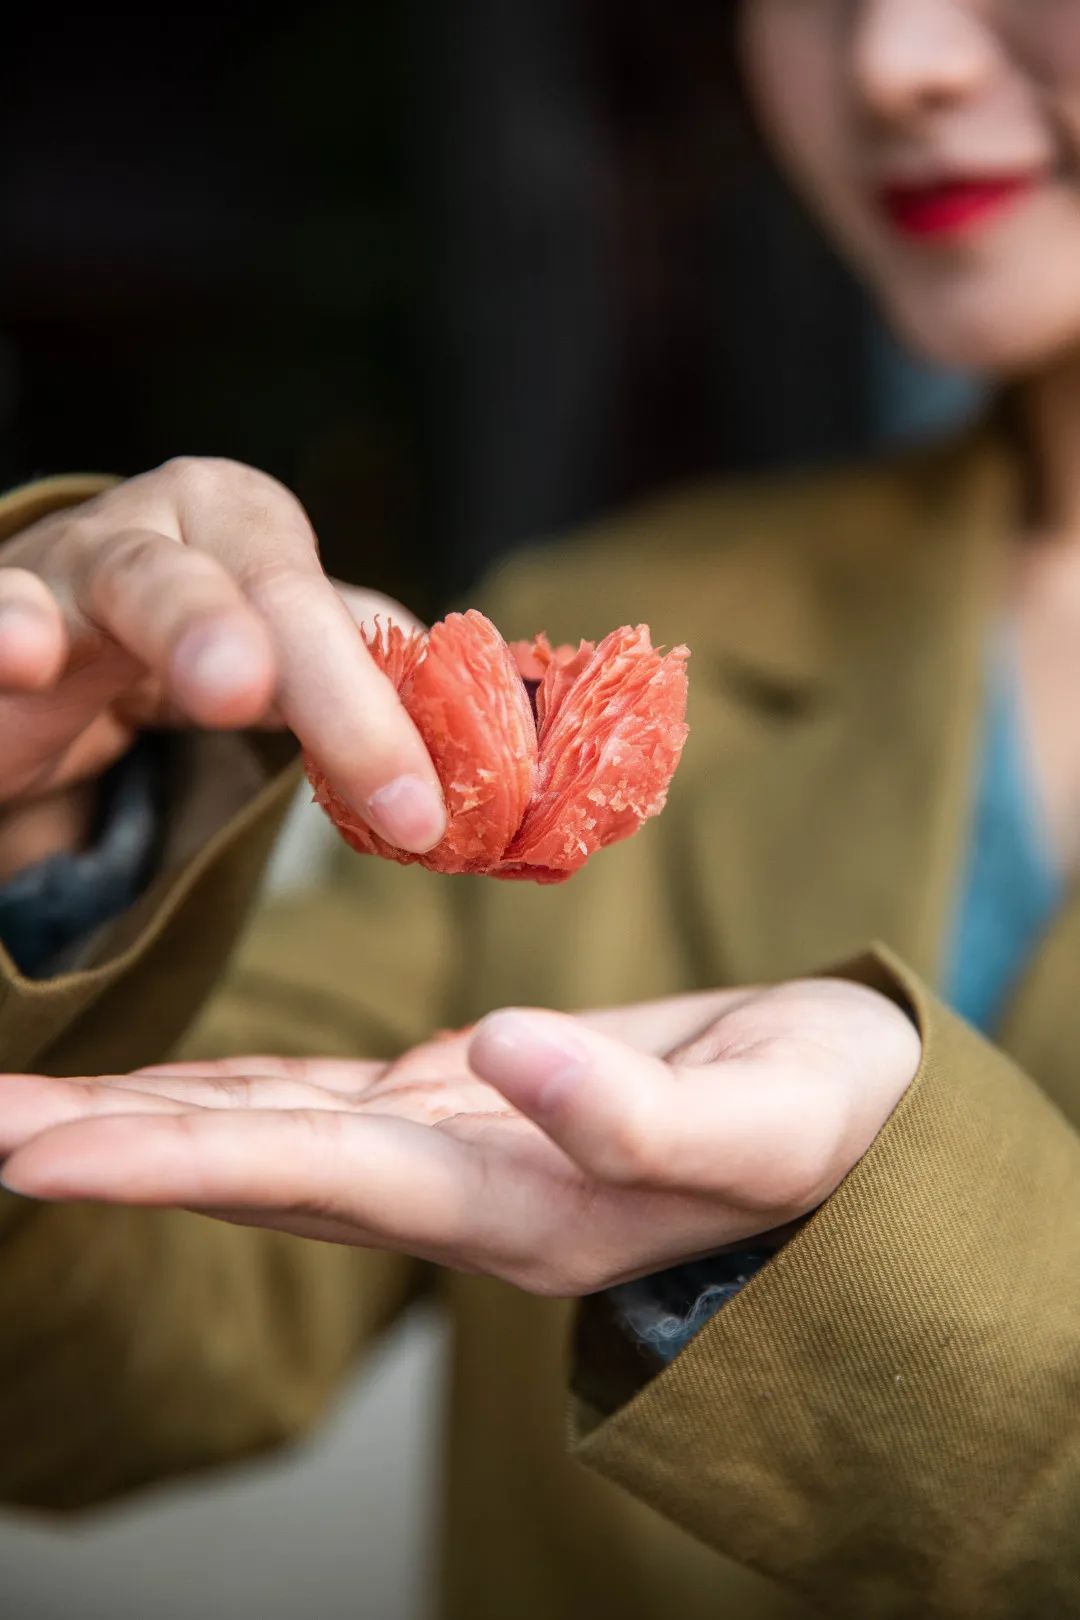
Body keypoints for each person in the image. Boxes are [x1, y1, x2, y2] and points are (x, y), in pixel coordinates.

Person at [1, 2, 1079, 1615]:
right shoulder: (600, 622)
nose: (891, 62)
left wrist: (889, 1252)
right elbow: (104, 1375)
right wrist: (41, 834)